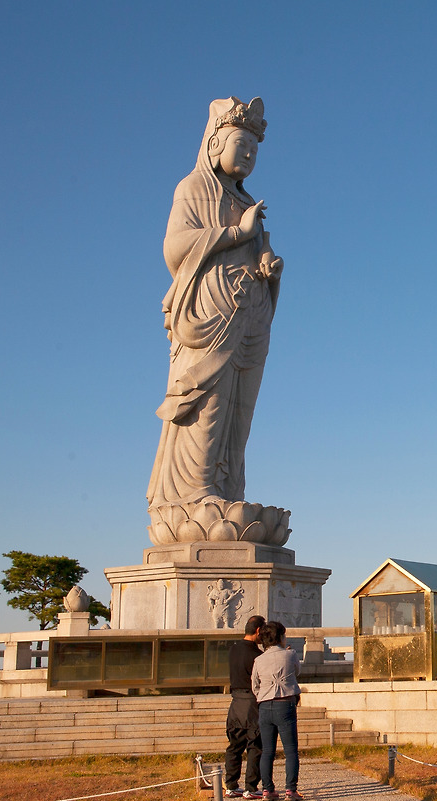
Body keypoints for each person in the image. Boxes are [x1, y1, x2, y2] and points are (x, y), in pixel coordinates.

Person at [147, 96, 284, 516]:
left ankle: (228, 491)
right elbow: (175, 249)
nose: (248, 154)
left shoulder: (248, 203)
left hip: (250, 309)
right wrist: (234, 233)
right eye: (241, 145)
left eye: (255, 150)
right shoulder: (192, 189)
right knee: (209, 401)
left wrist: (268, 261)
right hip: (211, 308)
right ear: (213, 145)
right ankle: (194, 493)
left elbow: (260, 246)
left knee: (240, 412)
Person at [251, 620, 301, 801]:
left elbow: (254, 685)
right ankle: (291, 789)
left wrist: (262, 695)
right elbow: (297, 672)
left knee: (268, 750)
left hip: (264, 705)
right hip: (285, 703)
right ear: (280, 637)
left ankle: (267, 789)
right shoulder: (290, 654)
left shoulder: (258, 660)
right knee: (290, 750)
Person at [224, 615, 265, 799]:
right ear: (258, 631)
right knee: (255, 745)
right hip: (252, 703)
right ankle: (251, 787)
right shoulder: (258, 656)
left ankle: (231, 785)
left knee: (234, 746)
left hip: (235, 702)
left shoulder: (233, 649)